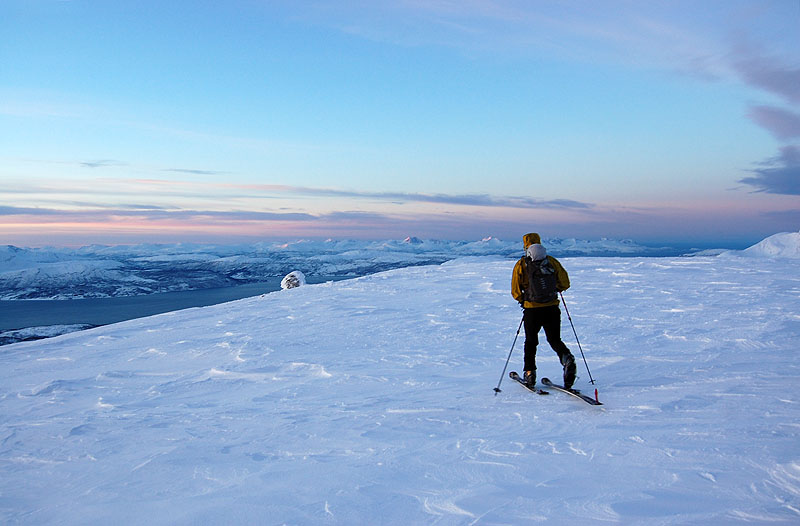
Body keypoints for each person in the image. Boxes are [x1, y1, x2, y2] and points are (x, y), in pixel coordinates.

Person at [511, 233, 577, 389]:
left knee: (531, 342)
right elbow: (565, 283)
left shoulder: (522, 264)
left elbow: (515, 290)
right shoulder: (551, 262)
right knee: (554, 339)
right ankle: (567, 359)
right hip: (552, 308)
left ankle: (529, 373)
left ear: (526, 245)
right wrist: (554, 290)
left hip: (532, 310)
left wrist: (523, 300)